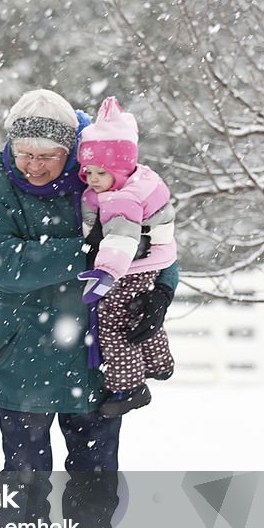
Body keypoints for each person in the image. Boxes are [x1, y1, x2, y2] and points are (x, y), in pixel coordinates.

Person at [0, 89, 179, 528]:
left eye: (48, 155)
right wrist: (87, 252)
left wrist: (162, 291)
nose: (34, 165)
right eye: (25, 153)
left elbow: (155, 229)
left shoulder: (104, 168)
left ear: (72, 150)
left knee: (95, 475)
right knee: (26, 478)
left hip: (95, 353)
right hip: (21, 358)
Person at [77, 96, 176, 416]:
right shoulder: (133, 180)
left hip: (130, 266)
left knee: (113, 321)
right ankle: (159, 363)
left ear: (118, 170)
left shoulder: (122, 199)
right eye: (87, 171)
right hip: (149, 264)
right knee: (136, 314)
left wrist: (105, 272)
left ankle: (130, 388)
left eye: (99, 172)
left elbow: (121, 238)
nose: (91, 179)